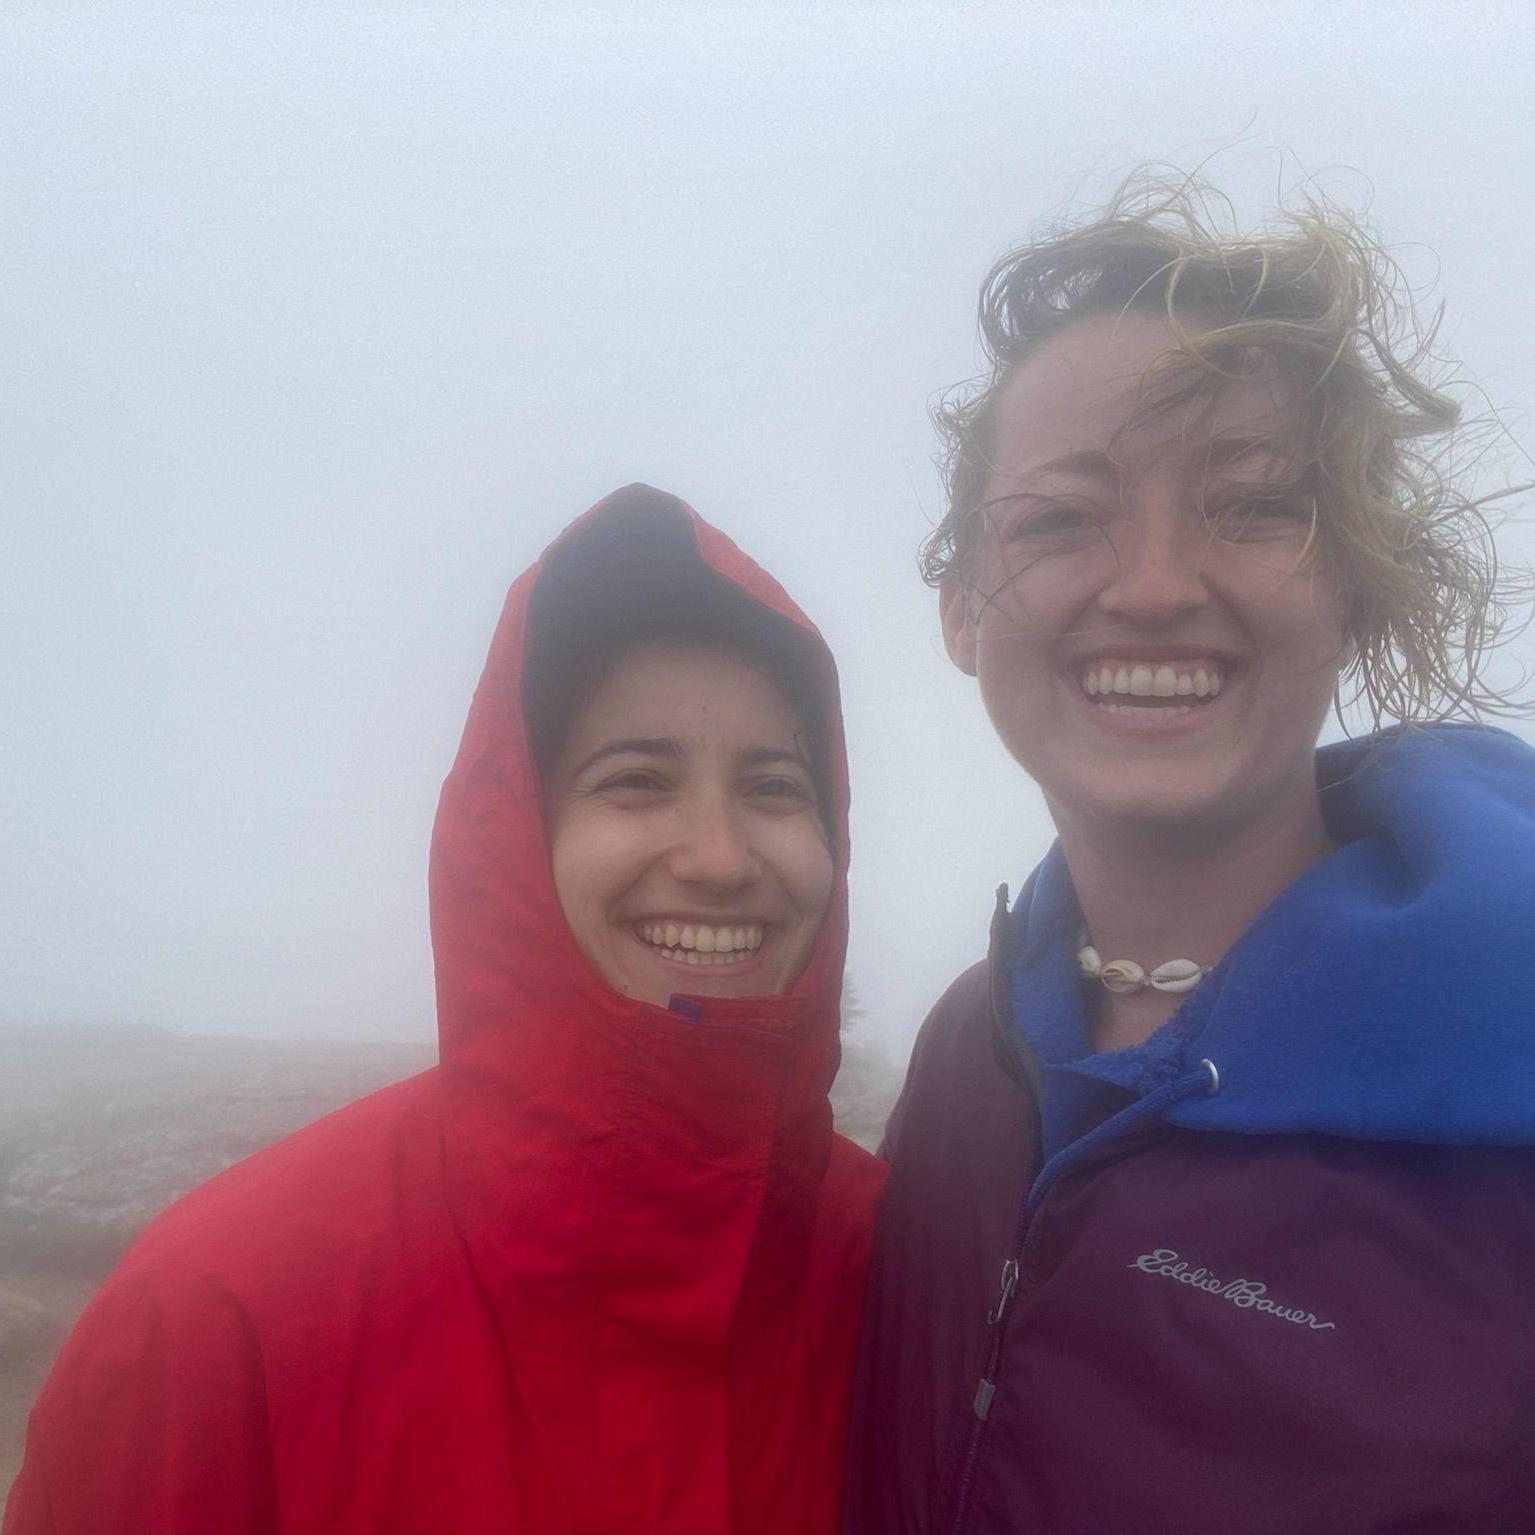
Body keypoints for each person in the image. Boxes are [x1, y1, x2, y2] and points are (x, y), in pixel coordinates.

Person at [845, 180, 1535, 1534]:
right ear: (956, 609)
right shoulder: (968, 1054)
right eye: (1057, 516)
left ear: (1355, 580)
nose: (1154, 582)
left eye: (1248, 504)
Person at [6, 485, 885, 1535]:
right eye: (637, 779)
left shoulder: (904, 1267)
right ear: (514, 833)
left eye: (774, 787)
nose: (719, 855)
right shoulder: (214, 1319)